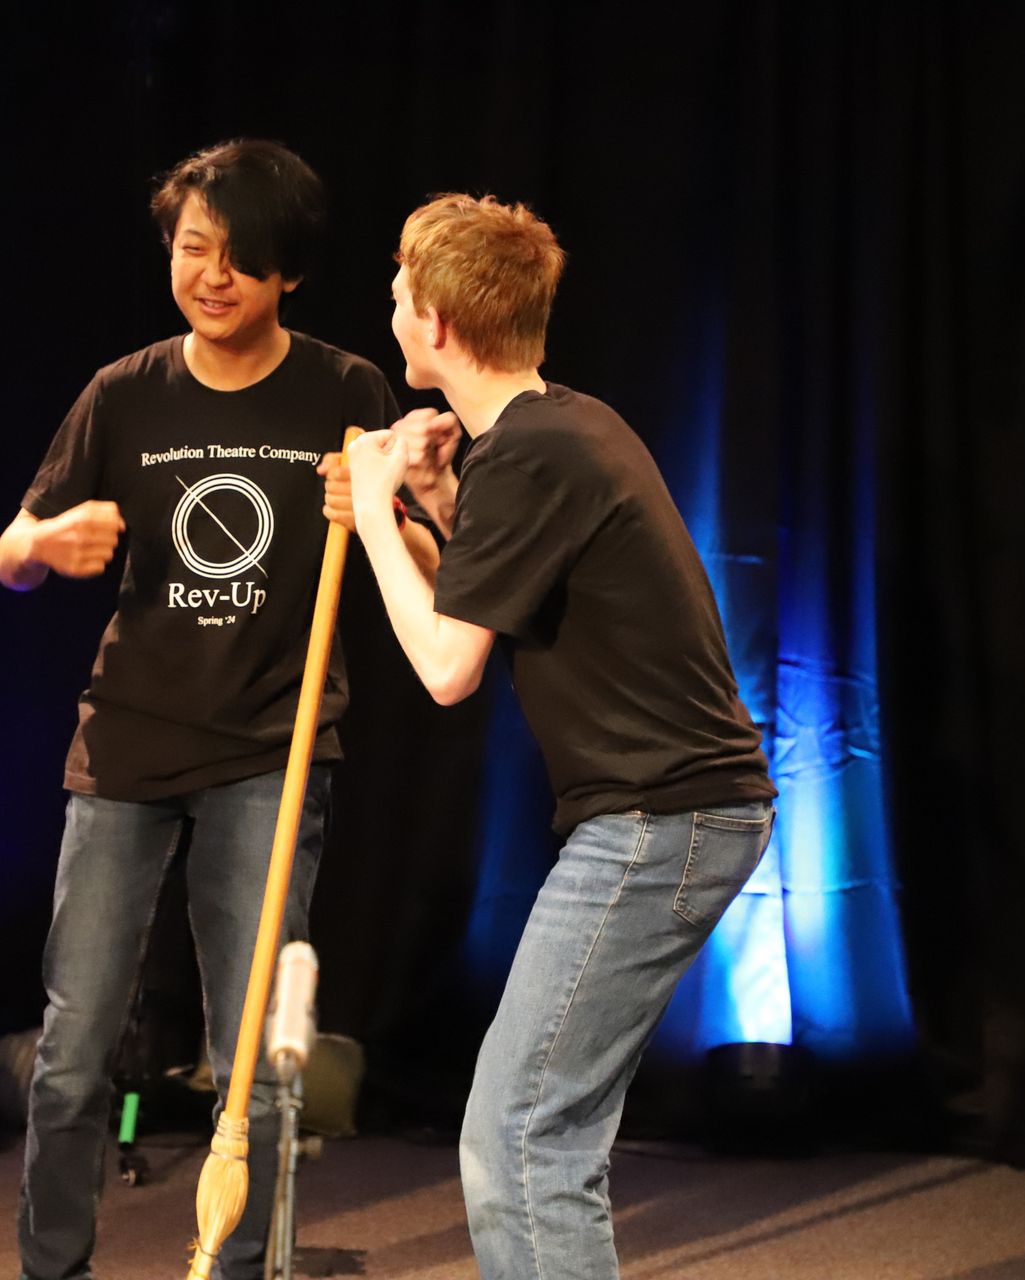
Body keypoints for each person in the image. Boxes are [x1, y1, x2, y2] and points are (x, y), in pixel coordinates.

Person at [0, 139, 432, 1280]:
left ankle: (236, 1268)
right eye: (194, 250)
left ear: (289, 272)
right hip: (128, 745)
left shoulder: (346, 390)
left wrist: (382, 507)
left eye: (241, 258)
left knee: (250, 1056)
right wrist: (42, 541)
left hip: (270, 755)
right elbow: (10, 552)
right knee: (75, 1045)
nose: (213, 276)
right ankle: (51, 1266)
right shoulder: (125, 391)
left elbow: (426, 557)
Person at [340, 194, 777, 1280]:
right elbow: (493, 599)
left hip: (661, 818)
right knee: (542, 1127)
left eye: (398, 291)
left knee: (524, 1135)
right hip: (675, 815)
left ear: (436, 321)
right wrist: (434, 505)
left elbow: (448, 666)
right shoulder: (553, 429)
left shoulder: (536, 449)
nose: (389, 306)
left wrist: (373, 504)